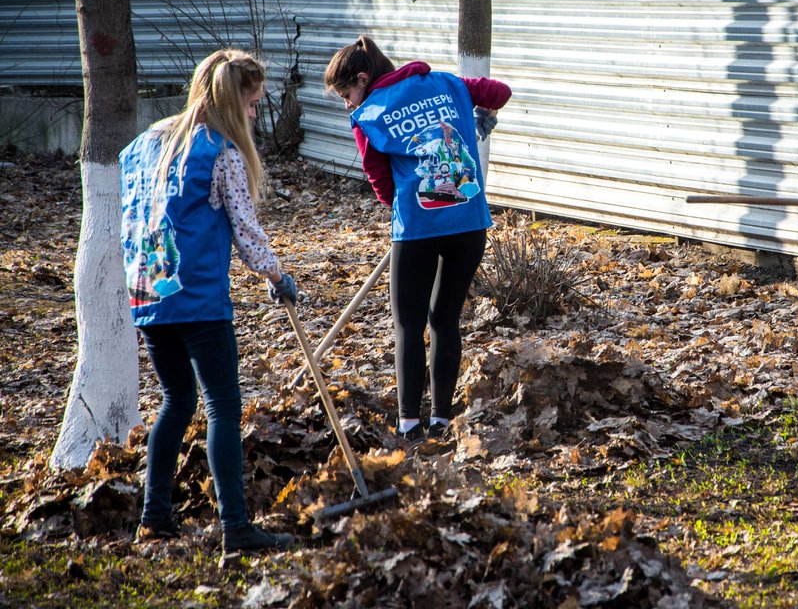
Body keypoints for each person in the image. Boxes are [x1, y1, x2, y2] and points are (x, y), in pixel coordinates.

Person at [120, 49, 298, 555]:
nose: (254, 113)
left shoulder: (144, 144)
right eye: (253, 102)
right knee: (222, 405)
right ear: (233, 99)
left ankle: (155, 517)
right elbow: (245, 228)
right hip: (198, 299)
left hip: (150, 295)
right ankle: (236, 527)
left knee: (176, 402)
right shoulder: (221, 152)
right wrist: (278, 276)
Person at [323, 36, 512, 443]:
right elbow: (501, 91)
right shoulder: (447, 82)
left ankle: (409, 423)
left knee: (408, 325)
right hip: (469, 223)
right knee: (445, 320)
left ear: (362, 78)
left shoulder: (369, 113)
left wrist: (406, 212)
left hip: (418, 228)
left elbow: (379, 180)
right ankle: (441, 419)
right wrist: (480, 110)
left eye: (346, 93)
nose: (347, 103)